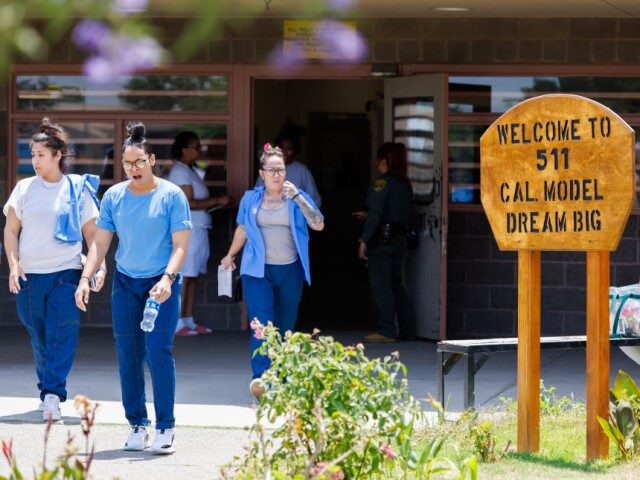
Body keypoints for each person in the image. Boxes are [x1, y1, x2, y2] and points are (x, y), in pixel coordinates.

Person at [75, 122, 191, 455]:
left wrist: (168, 279)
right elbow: (99, 244)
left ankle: (165, 427)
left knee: (158, 353)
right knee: (128, 357)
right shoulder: (113, 196)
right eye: (127, 163)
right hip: (125, 283)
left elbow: (180, 245)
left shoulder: (171, 195)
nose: (134, 168)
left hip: (161, 285)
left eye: (139, 161)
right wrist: (86, 277)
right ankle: (138, 425)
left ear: (152, 159)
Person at [3, 117, 105, 422]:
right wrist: (13, 263)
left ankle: (52, 394)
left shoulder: (77, 190)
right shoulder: (23, 189)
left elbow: (93, 236)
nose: (34, 160)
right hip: (29, 276)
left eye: (40, 155)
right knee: (40, 336)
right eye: (32, 155)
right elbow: (10, 230)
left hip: (67, 274)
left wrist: (97, 269)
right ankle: (46, 389)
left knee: (60, 333)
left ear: (58, 155)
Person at [221, 143, 324, 399]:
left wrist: (298, 197)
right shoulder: (250, 198)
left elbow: (319, 224)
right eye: (272, 170)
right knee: (262, 326)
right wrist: (230, 254)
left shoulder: (297, 198)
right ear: (262, 172)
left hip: (289, 270)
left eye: (281, 169)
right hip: (258, 272)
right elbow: (243, 229)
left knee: (285, 326)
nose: (277, 174)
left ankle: (283, 377)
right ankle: (260, 378)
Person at [166, 131, 230, 336]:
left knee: (193, 277)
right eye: (195, 146)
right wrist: (217, 201)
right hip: (188, 232)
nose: (199, 149)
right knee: (184, 276)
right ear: (184, 150)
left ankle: (188, 320)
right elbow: (189, 203)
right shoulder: (179, 171)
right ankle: (176, 323)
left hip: (199, 230)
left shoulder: (191, 170)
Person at [356, 142, 415, 343]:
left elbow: (377, 215)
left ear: (383, 160)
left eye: (378, 158)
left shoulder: (382, 183)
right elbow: (396, 212)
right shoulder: (405, 183)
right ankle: (408, 330)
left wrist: (364, 239)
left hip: (382, 242)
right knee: (396, 284)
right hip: (399, 241)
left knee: (382, 286)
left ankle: (387, 330)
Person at [256, 121, 322, 207]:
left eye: (289, 148)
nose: (284, 152)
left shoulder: (302, 171)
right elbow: (256, 196)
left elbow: (315, 201)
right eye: (281, 147)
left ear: (295, 150)